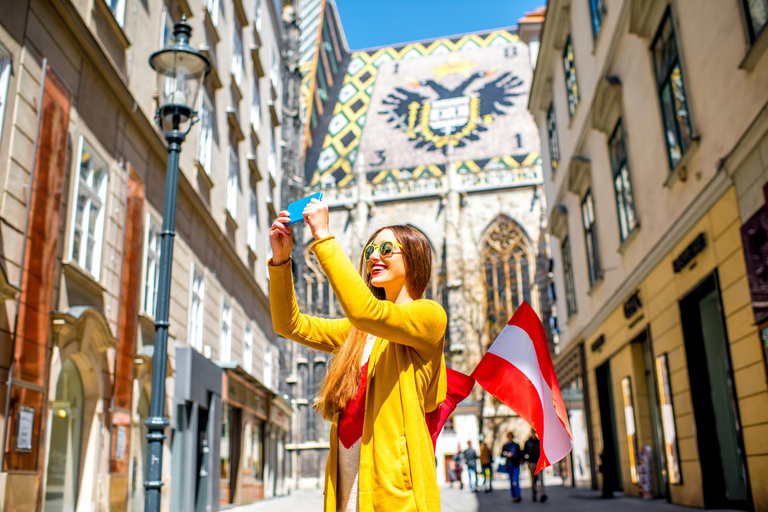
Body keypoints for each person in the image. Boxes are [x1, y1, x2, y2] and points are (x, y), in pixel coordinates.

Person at [269, 200, 447, 512]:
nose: (374, 257)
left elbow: (366, 312)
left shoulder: (430, 316)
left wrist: (323, 237)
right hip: (345, 489)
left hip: (392, 495)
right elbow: (290, 325)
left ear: (415, 258)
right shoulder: (359, 332)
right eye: (369, 251)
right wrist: (281, 261)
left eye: (386, 249)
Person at [524, 430, 547, 503]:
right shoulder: (528, 442)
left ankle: (542, 495)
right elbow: (524, 452)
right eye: (532, 432)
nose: (534, 434)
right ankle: (534, 495)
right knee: (533, 480)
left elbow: (542, 451)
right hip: (531, 463)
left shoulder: (538, 441)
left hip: (538, 463)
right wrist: (526, 460)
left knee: (541, 479)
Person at [501, 432, 522, 502]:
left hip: (515, 465)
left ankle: (517, 495)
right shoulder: (505, 446)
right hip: (509, 465)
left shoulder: (516, 445)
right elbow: (502, 454)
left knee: (515, 480)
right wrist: (506, 454)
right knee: (511, 481)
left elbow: (520, 454)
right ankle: (514, 496)